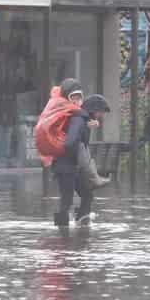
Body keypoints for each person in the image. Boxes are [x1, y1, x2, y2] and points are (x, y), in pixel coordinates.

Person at [52, 78, 111, 227]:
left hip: (73, 166)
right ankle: (62, 232)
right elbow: (71, 141)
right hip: (65, 166)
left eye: (80, 97)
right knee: (66, 200)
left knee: (86, 194)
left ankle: (82, 223)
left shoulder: (81, 118)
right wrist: (76, 155)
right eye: (100, 112)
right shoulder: (78, 118)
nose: (101, 116)